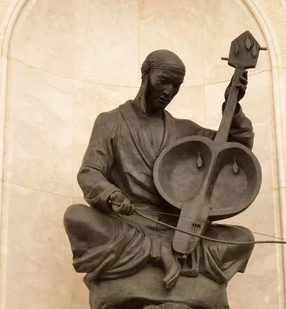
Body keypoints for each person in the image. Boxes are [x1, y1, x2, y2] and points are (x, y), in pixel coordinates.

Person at [64, 49, 254, 291]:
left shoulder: (184, 131)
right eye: (164, 81)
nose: (169, 92)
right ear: (146, 75)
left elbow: (233, 149)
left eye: (176, 85)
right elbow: (89, 172)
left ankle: (163, 252)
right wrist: (112, 195)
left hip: (177, 228)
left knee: (244, 238)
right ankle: (160, 253)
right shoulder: (110, 122)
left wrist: (232, 107)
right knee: (76, 216)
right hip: (130, 222)